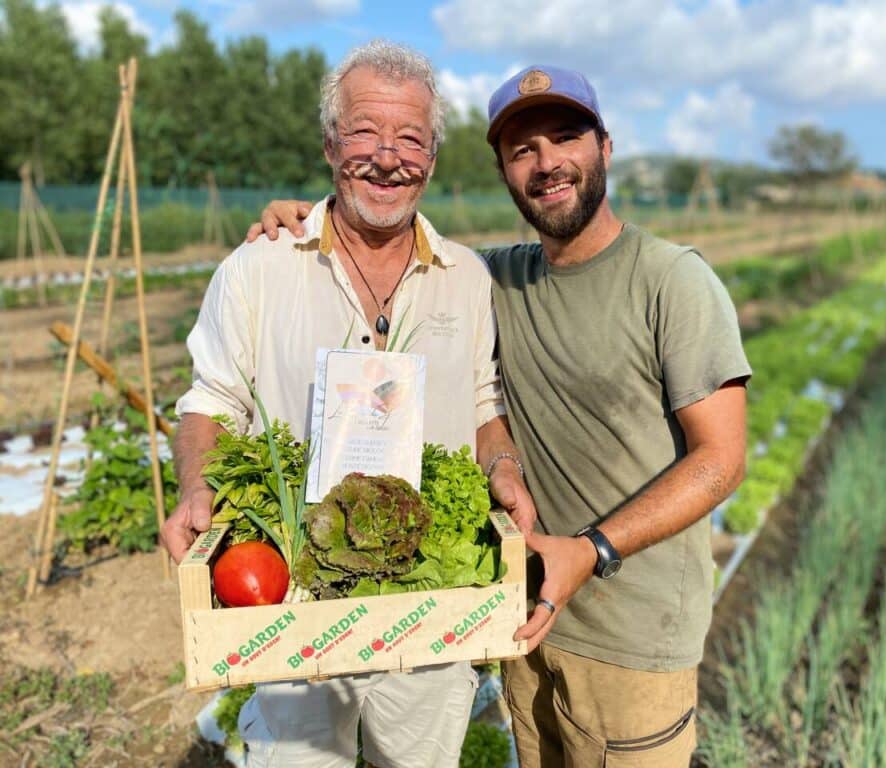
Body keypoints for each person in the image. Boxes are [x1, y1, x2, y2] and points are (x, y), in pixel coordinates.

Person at [253, 65, 751, 767]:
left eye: (566, 138)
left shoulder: (672, 280)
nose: (547, 163)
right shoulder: (493, 279)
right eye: (522, 150)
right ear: (504, 173)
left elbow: (721, 459)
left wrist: (593, 548)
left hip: (633, 636)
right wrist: (313, 218)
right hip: (522, 622)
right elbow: (393, 247)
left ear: (604, 148)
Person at [160, 40, 535, 768]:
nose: (388, 157)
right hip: (294, 594)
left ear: (432, 157)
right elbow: (211, 398)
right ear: (331, 142)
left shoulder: (467, 279)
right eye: (365, 131)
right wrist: (195, 488)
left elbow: (484, 401)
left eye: (411, 139)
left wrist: (504, 468)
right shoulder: (259, 268)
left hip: (432, 590)